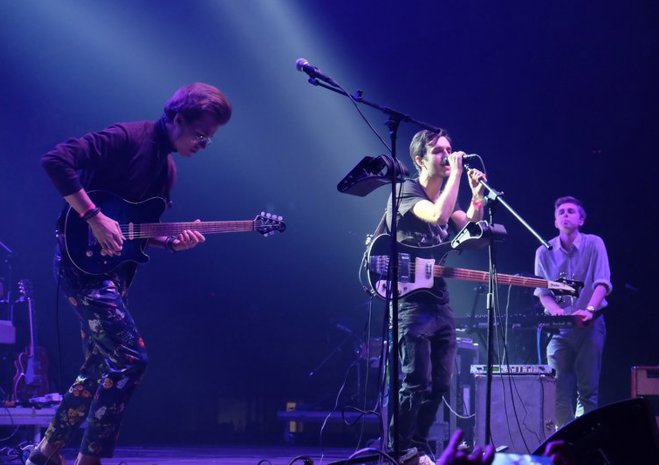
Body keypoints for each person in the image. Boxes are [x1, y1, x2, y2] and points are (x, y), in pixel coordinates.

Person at [31, 82, 232, 465]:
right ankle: (88, 460)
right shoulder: (126, 138)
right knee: (130, 358)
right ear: (177, 118)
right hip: (82, 264)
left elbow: (134, 231)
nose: (204, 144)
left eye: (210, 138)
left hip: (115, 272)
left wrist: (170, 243)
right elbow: (56, 160)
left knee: (96, 367)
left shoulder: (166, 171)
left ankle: (44, 453)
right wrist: (93, 216)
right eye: (200, 134)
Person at [384, 129, 486, 465]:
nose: (447, 155)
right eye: (438, 150)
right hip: (411, 302)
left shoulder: (447, 198)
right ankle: (400, 449)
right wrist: (456, 173)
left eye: (449, 149)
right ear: (419, 159)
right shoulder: (406, 192)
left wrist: (477, 198)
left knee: (441, 384)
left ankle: (416, 446)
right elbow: (438, 215)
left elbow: (470, 234)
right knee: (416, 382)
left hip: (439, 301)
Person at [534, 196, 612, 428]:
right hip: (559, 328)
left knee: (588, 390)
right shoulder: (543, 251)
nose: (565, 215)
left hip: (590, 324)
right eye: (561, 212)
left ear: (581, 220)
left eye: (571, 211)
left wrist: (589, 309)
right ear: (555, 222)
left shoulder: (594, 243)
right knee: (557, 388)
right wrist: (557, 312)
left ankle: (584, 437)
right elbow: (543, 292)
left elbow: (602, 282)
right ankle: (566, 439)